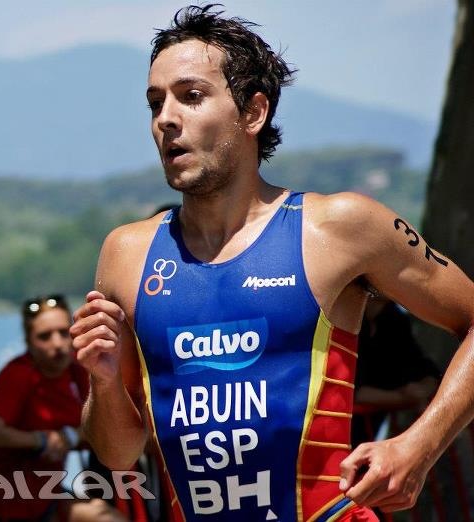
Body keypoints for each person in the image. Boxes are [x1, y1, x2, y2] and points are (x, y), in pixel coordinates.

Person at [69, 5, 474, 522]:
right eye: (155, 102)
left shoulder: (338, 227)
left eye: (191, 96)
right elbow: (118, 453)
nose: (165, 118)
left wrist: (419, 446)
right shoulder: (127, 253)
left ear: (253, 113)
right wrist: (104, 382)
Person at [0, 295, 124, 522]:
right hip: (0, 495)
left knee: (105, 515)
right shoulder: (18, 374)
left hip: (45, 491)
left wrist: (69, 436)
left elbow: (105, 423)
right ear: (28, 342)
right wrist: (41, 441)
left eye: (63, 332)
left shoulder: (78, 370)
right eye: (44, 336)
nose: (57, 343)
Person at [352, 296, 440, 448]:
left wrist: (423, 388)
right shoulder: (341, 315)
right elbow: (350, 391)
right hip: (336, 427)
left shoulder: (395, 319)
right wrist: (403, 399)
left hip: (371, 434)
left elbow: (424, 368)